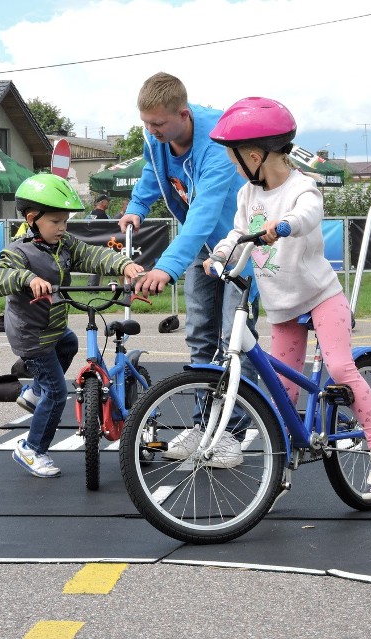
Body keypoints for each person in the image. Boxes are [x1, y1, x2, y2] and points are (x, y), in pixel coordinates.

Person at [202, 96, 371, 496]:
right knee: (280, 390)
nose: (233, 166)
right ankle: (281, 469)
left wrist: (285, 225)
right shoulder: (246, 195)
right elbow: (237, 235)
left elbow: (308, 214)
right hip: (281, 305)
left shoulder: (302, 187)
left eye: (235, 159)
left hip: (320, 296)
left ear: (255, 155)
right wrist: (220, 255)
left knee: (341, 368)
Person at [118, 72, 258, 468]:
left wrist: (166, 267)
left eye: (158, 124)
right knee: (200, 334)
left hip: (240, 243)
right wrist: (136, 207)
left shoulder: (217, 141)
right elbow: (153, 171)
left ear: (183, 113)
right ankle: (204, 424)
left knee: (235, 336)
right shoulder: (156, 136)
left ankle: (232, 434)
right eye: (146, 123)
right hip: (202, 245)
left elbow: (204, 212)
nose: (151, 130)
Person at [0, 174, 143, 478]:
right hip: (31, 336)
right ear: (33, 219)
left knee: (70, 343)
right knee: (58, 394)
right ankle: (31, 449)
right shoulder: (18, 252)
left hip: (55, 329)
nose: (62, 228)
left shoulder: (64, 244)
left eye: (65, 222)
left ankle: (34, 391)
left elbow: (92, 254)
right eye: (56, 221)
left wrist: (123, 264)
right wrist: (28, 279)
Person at [87, 194, 111, 285]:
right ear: (102, 202)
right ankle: (93, 287)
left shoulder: (91, 214)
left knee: (92, 264)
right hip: (100, 244)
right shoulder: (103, 216)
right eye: (107, 201)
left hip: (90, 242)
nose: (108, 203)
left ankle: (92, 286)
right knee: (97, 264)